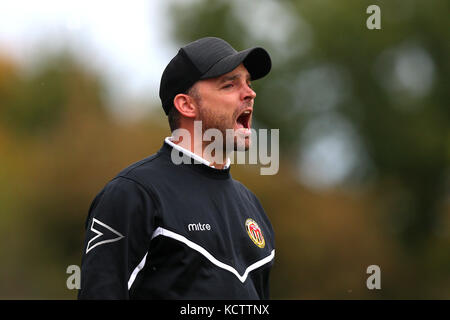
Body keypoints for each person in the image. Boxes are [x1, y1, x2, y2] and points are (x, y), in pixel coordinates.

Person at [78, 37, 275, 299]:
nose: (249, 93)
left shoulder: (253, 207)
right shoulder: (134, 193)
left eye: (248, 83)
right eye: (229, 85)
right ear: (186, 105)